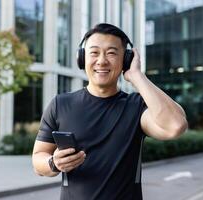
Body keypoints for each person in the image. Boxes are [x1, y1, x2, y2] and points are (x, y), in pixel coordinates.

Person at [32, 23, 188, 200]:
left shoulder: (137, 106)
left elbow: (176, 126)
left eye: (112, 53)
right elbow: (38, 160)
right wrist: (54, 163)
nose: (102, 60)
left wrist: (137, 76)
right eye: (94, 52)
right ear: (82, 58)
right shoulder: (60, 104)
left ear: (126, 60)